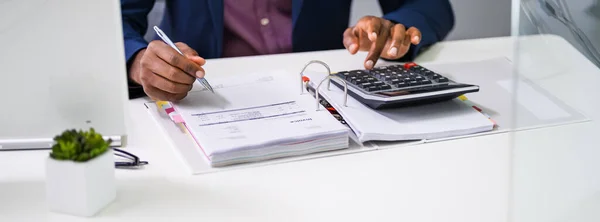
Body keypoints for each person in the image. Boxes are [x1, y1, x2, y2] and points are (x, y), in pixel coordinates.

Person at [121, 0, 455, 101]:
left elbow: (427, 6)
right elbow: (115, 18)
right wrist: (139, 62)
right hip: (202, 97)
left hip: (321, 98)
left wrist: (393, 30)